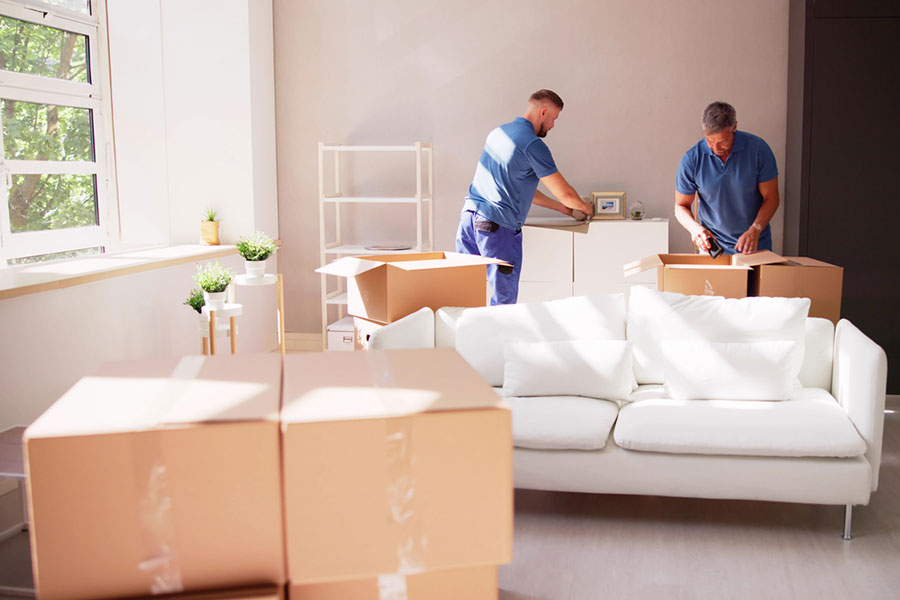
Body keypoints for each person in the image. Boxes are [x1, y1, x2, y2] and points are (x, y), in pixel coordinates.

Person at [456, 89, 593, 305]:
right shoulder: (532, 144)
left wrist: (558, 208)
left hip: (468, 221)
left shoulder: (498, 133)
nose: (553, 126)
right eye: (554, 119)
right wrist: (586, 208)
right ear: (543, 112)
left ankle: (467, 338)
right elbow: (566, 194)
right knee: (504, 300)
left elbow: (516, 188)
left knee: (464, 295)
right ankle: (500, 340)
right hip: (496, 228)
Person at [674, 101, 780, 255]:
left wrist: (755, 229)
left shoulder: (758, 150)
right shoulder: (692, 159)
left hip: (754, 244)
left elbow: (772, 198)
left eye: (722, 141)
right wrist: (695, 229)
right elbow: (680, 206)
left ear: (734, 127)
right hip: (714, 249)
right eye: (710, 141)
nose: (716, 148)